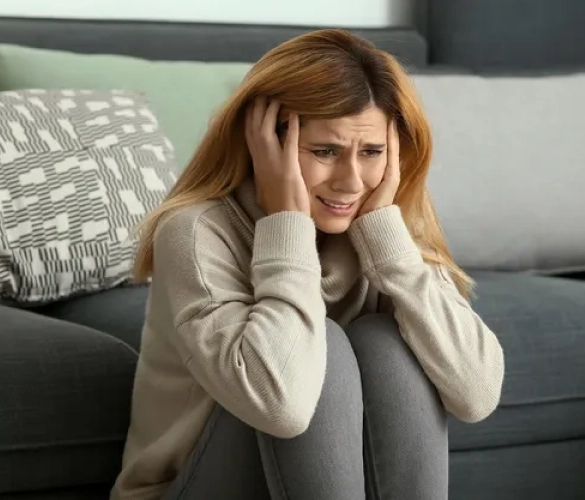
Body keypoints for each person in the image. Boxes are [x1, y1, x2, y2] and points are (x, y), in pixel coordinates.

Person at [110, 28, 505, 500]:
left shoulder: (382, 224)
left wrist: (391, 247)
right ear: (264, 145)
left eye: (372, 152)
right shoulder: (196, 231)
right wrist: (287, 225)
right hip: (190, 487)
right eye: (324, 151)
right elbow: (282, 406)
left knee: (388, 343)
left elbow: (476, 396)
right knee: (325, 350)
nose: (351, 181)